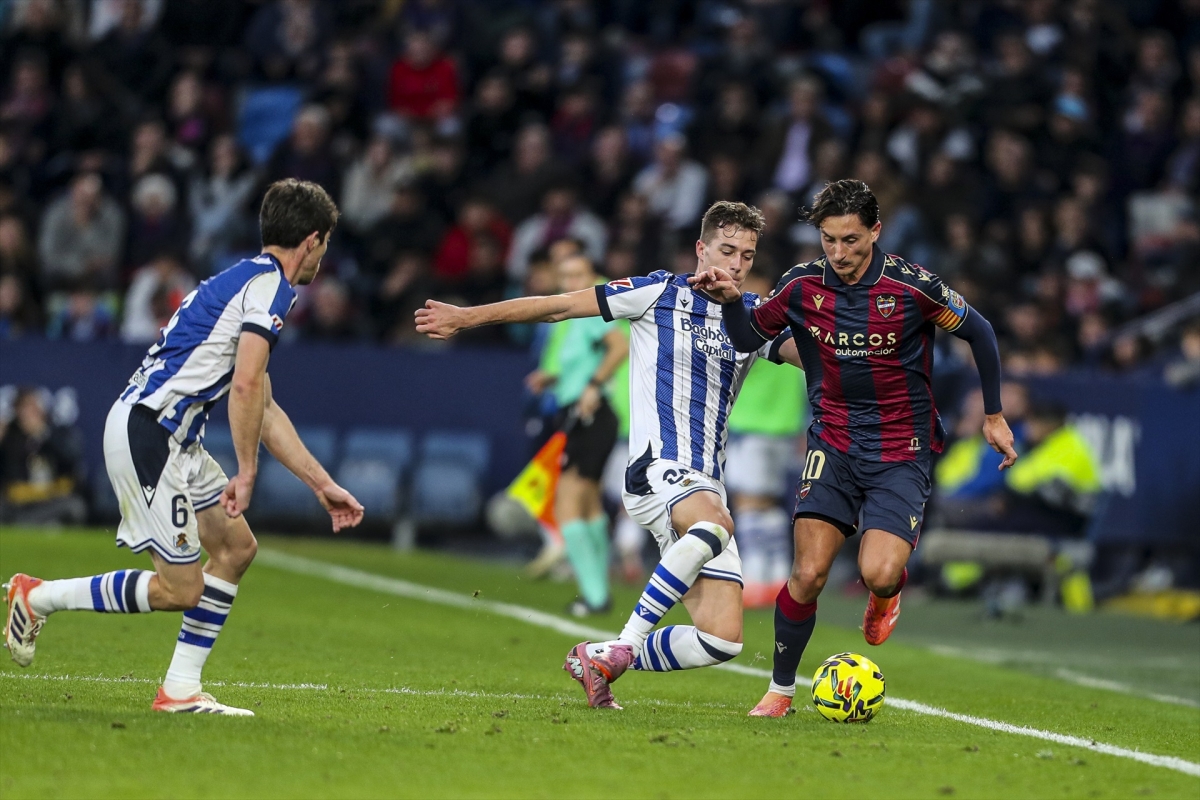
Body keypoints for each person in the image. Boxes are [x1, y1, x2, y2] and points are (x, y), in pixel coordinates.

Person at [417, 201, 802, 709]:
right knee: (716, 525)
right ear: (701, 248)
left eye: (746, 256)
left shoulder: (750, 319)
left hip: (706, 485)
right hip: (657, 471)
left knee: (721, 639)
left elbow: (815, 358)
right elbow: (558, 306)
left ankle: (597, 654)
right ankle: (623, 643)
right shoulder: (658, 293)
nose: (734, 264)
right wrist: (467, 317)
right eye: (726, 250)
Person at [3, 179, 365, 715]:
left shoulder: (240, 282)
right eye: (326, 244)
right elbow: (243, 387)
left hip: (176, 439)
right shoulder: (271, 290)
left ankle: (179, 691)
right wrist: (246, 472)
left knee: (237, 549)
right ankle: (36, 597)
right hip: (149, 432)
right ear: (312, 241)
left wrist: (322, 484)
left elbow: (263, 406)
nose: (323, 256)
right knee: (180, 588)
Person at [692, 179, 1017, 717]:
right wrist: (729, 303)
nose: (839, 253)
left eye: (850, 240)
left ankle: (886, 596)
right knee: (807, 573)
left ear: (875, 232)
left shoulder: (912, 286)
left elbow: (980, 332)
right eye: (829, 240)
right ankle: (779, 690)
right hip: (833, 441)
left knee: (879, 571)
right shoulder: (800, 285)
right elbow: (749, 338)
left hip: (902, 446)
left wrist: (994, 414)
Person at [524, 254, 628, 616]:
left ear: (593, 276)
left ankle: (595, 595)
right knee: (589, 503)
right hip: (585, 415)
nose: (570, 282)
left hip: (591, 415)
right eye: (565, 275)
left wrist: (594, 385)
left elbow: (620, 346)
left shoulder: (590, 313)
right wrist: (553, 378)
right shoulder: (571, 322)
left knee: (567, 501)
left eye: (578, 275)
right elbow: (586, 359)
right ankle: (598, 591)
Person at [0, 388, 87, 525]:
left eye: (32, 408)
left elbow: (71, 461)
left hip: (49, 500)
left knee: (75, 507)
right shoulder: (11, 437)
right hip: (18, 504)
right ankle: (36, 524)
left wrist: (43, 435)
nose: (28, 414)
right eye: (23, 408)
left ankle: (34, 524)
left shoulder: (56, 433)